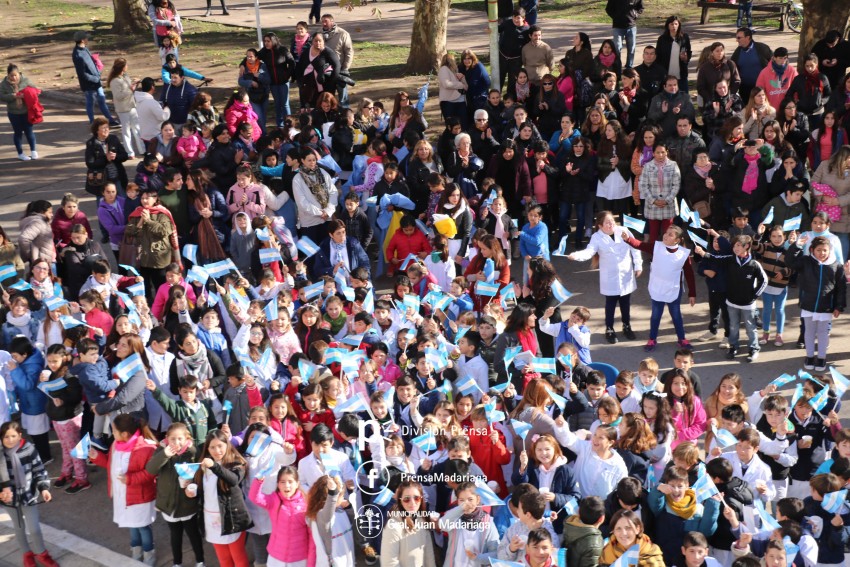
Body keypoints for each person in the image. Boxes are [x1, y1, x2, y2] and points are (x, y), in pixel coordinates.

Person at [89, 413, 158, 565]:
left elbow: (151, 473)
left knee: (143, 527)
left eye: (114, 431)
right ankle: (136, 551)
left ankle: (149, 555)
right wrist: (97, 456)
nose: (112, 434)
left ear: (125, 434)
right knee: (131, 525)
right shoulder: (115, 445)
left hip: (140, 497)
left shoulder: (147, 448)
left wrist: (130, 479)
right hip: (124, 496)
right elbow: (110, 463)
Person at [0, 421, 58, 567]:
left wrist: (44, 488)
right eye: (6, 437)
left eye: (13, 436)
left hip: (28, 495)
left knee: (34, 528)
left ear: (20, 435)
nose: (10, 440)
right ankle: (27, 554)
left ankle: (42, 554)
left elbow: (39, 470)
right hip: (9, 500)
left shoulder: (28, 449)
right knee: (19, 527)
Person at [785, 233, 846, 371]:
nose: (822, 253)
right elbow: (790, 262)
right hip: (808, 305)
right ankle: (810, 356)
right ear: (812, 250)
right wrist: (797, 246)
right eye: (819, 250)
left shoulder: (836, 266)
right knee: (809, 332)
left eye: (825, 250)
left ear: (830, 250)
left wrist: (839, 306)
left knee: (823, 333)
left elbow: (841, 288)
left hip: (826, 307)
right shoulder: (806, 261)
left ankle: (822, 358)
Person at [293, 147, 338, 244]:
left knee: (326, 250)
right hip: (309, 222)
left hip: (327, 219)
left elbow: (333, 192)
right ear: (302, 160)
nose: (312, 162)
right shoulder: (297, 179)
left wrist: (328, 211)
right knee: (311, 254)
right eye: (309, 160)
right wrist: (320, 213)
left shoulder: (323, 173)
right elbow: (302, 202)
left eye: (314, 160)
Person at [71, 31, 118, 125]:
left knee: (102, 100)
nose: (88, 39)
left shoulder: (85, 49)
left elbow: (90, 63)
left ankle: (110, 120)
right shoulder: (77, 55)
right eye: (86, 38)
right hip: (89, 84)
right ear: (82, 40)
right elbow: (82, 74)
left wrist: (97, 65)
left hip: (96, 80)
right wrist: (95, 78)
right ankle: (92, 122)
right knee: (90, 103)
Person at [106, 58, 145, 159]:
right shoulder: (115, 81)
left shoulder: (125, 76)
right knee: (126, 131)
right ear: (122, 67)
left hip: (132, 106)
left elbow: (128, 87)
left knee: (137, 129)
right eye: (126, 65)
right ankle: (129, 152)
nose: (127, 67)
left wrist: (135, 83)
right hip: (123, 109)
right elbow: (118, 96)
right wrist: (130, 90)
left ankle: (143, 150)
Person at [0, 64, 38, 160]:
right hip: (13, 113)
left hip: (26, 112)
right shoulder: (4, 84)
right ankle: (20, 154)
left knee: (29, 132)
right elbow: (2, 96)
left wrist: (27, 94)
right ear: (8, 75)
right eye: (11, 76)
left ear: (19, 73)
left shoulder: (26, 80)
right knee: (18, 133)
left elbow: (35, 90)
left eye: (15, 75)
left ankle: (33, 151)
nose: (13, 78)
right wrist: (13, 96)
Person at [294, 32, 340, 110]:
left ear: (323, 41)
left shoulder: (328, 53)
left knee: (323, 107)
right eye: (315, 41)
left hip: (323, 87)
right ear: (312, 41)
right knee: (311, 108)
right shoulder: (306, 52)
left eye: (320, 41)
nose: (318, 43)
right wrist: (300, 81)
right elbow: (299, 67)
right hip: (308, 87)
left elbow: (337, 67)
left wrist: (331, 84)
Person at [84, 117, 129, 198]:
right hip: (101, 180)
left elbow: (124, 155)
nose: (106, 130)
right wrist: (106, 159)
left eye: (107, 127)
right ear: (97, 130)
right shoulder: (91, 143)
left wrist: (115, 157)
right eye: (103, 128)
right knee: (102, 204)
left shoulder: (113, 139)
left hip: (117, 177)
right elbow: (90, 163)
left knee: (122, 201)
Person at [258, 32, 295, 127]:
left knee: (285, 104)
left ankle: (289, 125)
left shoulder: (282, 50)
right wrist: (242, 64)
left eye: (268, 41)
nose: (266, 43)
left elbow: (292, 62)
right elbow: (253, 56)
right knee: (277, 104)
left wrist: (287, 75)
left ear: (273, 41)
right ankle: (280, 125)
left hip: (283, 82)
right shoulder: (264, 51)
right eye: (265, 41)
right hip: (273, 83)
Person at [731, 28, 772, 106]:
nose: (737, 40)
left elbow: (773, 62)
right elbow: (732, 68)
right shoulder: (737, 52)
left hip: (762, 89)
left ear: (748, 37)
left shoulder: (762, 48)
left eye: (739, 38)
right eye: (736, 37)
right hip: (745, 89)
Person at [696, 42, 741, 109]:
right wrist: (709, 99)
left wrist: (731, 96)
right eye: (717, 51)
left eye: (721, 50)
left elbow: (736, 81)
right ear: (712, 52)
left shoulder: (730, 64)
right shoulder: (704, 68)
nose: (720, 53)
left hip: (728, 100)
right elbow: (700, 87)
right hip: (711, 101)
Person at [321, 15, 353, 106]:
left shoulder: (343, 34)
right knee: (327, 98)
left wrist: (345, 69)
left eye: (326, 21)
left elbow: (349, 52)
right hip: (326, 72)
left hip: (340, 71)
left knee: (343, 98)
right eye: (322, 21)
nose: (323, 23)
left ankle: (345, 117)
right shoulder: (319, 34)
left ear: (332, 21)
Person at [655, 15, 691, 93]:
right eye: (671, 24)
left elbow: (689, 53)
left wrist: (685, 58)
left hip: (681, 74)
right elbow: (658, 56)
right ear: (667, 25)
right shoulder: (662, 39)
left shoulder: (685, 38)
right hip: (666, 74)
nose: (674, 26)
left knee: (684, 97)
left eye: (676, 24)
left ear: (679, 25)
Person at [605, 0, 643, 69]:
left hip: (631, 27)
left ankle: (629, 67)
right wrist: (616, 17)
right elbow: (608, 9)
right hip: (618, 27)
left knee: (631, 49)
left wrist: (636, 14)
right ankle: (617, 67)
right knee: (617, 48)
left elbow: (640, 7)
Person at [135, 77, 171, 145]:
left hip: (144, 134)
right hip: (154, 135)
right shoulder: (152, 102)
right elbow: (163, 117)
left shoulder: (138, 99)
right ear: (152, 87)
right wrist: (167, 108)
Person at [437, 53, 469, 130]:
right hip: (449, 102)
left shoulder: (456, 70)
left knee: (463, 124)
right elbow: (446, 84)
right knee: (451, 126)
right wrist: (461, 85)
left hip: (460, 100)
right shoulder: (444, 69)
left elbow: (466, 86)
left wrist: (463, 78)